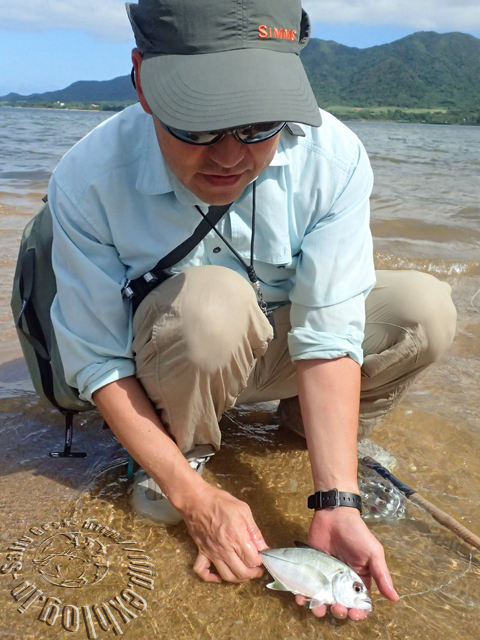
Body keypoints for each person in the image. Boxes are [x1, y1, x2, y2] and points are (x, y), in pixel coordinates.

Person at [47, 0, 457, 622]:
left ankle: (308, 434)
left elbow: (328, 332)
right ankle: (181, 458)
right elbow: (99, 362)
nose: (231, 156)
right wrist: (194, 499)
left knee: (425, 309)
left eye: (260, 125)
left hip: (275, 346)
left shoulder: (333, 157)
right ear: (142, 82)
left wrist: (335, 497)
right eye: (198, 126)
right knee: (212, 305)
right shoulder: (90, 178)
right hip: (175, 359)